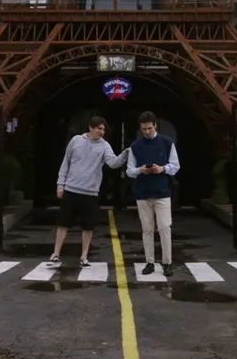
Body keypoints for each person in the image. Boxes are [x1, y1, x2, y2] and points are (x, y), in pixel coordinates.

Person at [49, 116, 130, 268]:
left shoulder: (104, 146)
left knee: (88, 226)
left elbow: (113, 163)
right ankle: (55, 253)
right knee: (63, 224)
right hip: (71, 189)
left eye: (104, 129)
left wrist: (125, 154)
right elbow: (65, 163)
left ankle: (84, 256)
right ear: (90, 128)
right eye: (99, 128)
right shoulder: (76, 141)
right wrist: (60, 185)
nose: (102, 132)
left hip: (90, 192)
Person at [126, 111, 180, 276]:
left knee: (164, 227)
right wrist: (140, 170)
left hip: (162, 192)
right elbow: (129, 171)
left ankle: (167, 262)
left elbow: (175, 166)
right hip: (143, 193)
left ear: (155, 125)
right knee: (147, 229)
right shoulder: (135, 146)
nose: (147, 132)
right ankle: (150, 261)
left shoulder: (167, 143)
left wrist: (162, 168)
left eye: (149, 128)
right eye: (144, 129)